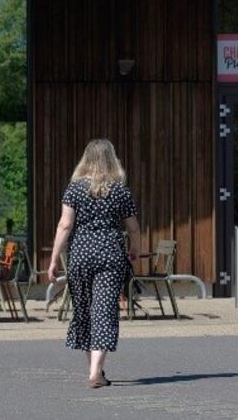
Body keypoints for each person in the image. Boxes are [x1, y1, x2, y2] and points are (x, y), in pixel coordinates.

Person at [48, 138, 141, 389]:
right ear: (112, 160)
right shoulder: (120, 191)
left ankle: (95, 370)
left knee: (84, 310)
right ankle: (96, 371)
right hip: (111, 255)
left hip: (80, 256)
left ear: (86, 159)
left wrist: (54, 258)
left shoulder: (74, 189)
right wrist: (135, 249)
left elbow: (65, 225)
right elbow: (133, 227)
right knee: (105, 310)